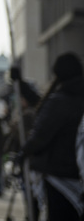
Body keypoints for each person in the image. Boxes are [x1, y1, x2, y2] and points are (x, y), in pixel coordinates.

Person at [23, 52, 84, 221]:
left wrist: (25, 151)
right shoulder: (73, 98)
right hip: (77, 176)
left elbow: (41, 135)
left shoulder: (59, 100)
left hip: (57, 175)